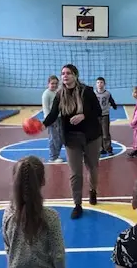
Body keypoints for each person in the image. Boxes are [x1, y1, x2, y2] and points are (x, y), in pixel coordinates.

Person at [2, 156, 66, 268]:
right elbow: (58, 255)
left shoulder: (8, 215)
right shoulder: (51, 217)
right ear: (43, 181)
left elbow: (8, 248)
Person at [41, 64, 102, 219]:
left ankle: (93, 190)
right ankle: (77, 204)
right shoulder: (59, 95)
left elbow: (98, 111)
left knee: (92, 168)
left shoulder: (86, 91)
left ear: (75, 75)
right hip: (71, 138)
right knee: (75, 173)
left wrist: (83, 115)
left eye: (68, 73)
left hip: (91, 136)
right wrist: (42, 125)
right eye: (63, 73)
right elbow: (53, 114)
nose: (65, 76)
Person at [42, 75, 63, 163]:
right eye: (52, 83)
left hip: (60, 118)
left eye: (56, 83)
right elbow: (46, 108)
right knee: (54, 138)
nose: (54, 85)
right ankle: (53, 157)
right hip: (52, 119)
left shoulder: (57, 92)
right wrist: (49, 121)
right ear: (48, 84)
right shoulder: (46, 94)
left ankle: (56, 154)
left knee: (61, 137)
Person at [95, 77, 118, 156]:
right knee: (98, 133)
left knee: (105, 133)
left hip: (105, 115)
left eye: (101, 82)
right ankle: (101, 149)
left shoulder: (107, 93)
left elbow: (111, 101)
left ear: (104, 84)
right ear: (96, 84)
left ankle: (108, 149)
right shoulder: (94, 93)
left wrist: (114, 105)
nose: (99, 84)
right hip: (96, 115)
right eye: (98, 82)